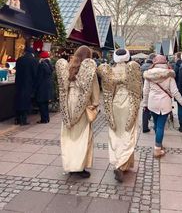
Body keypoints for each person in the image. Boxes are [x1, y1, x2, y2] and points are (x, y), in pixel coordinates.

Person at [98, 49, 142, 183]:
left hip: (115, 103)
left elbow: (106, 92)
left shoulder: (110, 71)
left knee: (115, 132)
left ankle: (119, 161)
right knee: (129, 131)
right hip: (129, 102)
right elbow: (137, 91)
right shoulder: (132, 69)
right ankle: (122, 163)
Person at [55, 45, 100, 178]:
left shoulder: (68, 68)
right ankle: (79, 166)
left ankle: (69, 164)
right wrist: (95, 104)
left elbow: (63, 89)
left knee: (68, 134)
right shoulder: (89, 70)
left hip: (69, 102)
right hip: (82, 102)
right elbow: (94, 89)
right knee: (82, 135)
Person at [143, 55, 182, 158]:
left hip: (152, 103)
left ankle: (158, 144)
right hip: (165, 104)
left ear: (154, 62)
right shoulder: (169, 75)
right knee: (160, 126)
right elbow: (175, 92)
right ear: (165, 62)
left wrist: (145, 104)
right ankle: (158, 148)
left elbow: (145, 91)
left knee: (156, 124)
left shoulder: (148, 74)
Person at [15, 47, 38, 125]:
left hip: (19, 83)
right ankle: (23, 120)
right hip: (28, 84)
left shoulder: (19, 59)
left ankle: (17, 119)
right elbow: (35, 74)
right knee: (26, 101)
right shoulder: (33, 61)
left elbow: (16, 71)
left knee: (18, 100)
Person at [35, 51, 53, 124]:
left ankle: (44, 119)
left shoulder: (42, 65)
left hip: (42, 87)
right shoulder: (49, 64)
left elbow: (39, 77)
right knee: (45, 104)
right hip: (47, 87)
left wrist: (36, 87)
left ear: (41, 57)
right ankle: (47, 118)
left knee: (41, 104)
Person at [141, 53, 156, 133]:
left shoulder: (142, 66)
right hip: (153, 90)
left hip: (144, 88)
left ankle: (145, 127)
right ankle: (155, 124)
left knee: (145, 108)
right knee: (154, 108)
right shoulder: (154, 68)